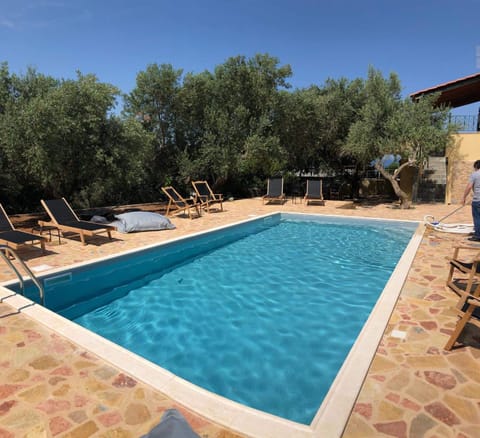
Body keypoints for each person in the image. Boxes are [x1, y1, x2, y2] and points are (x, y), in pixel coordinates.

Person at [463, 159, 480, 241]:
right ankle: (478, 232)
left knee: (477, 217)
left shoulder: (475, 174)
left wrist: (464, 197)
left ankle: (477, 236)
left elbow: (469, 187)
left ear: (476, 167)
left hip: (477, 200)